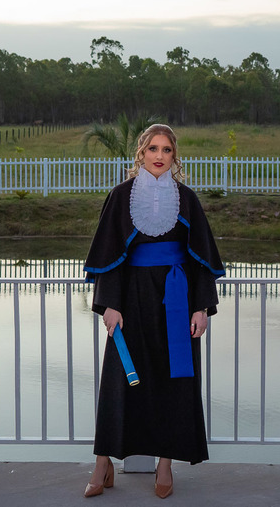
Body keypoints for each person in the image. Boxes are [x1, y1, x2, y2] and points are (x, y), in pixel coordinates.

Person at [82, 124, 225, 499]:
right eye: (152, 149)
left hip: (176, 302)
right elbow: (110, 257)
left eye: (166, 150)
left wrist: (201, 308)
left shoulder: (187, 200)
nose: (159, 156)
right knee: (120, 380)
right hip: (129, 301)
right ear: (141, 153)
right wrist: (109, 304)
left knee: (172, 381)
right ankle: (103, 462)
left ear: (174, 156)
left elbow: (201, 261)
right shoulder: (121, 196)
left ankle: (165, 463)